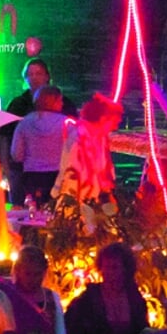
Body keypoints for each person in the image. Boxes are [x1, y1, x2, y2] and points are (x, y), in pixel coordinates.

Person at [53, 93, 123, 237]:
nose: (116, 126)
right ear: (103, 119)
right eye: (114, 121)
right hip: (76, 199)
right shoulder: (78, 139)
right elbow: (71, 174)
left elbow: (103, 173)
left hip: (94, 199)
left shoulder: (101, 139)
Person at [64, 242, 150, 334]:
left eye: (114, 267)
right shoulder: (87, 299)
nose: (109, 272)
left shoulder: (135, 299)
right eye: (106, 267)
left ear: (125, 269)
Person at [8, 86, 69, 205]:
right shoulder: (66, 123)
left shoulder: (24, 123)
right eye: (60, 100)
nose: (62, 104)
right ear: (54, 101)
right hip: (59, 176)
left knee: (35, 210)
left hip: (32, 176)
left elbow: (16, 154)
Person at [12, 245, 68, 334]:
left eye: (37, 274)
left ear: (44, 272)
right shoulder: (10, 296)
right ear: (18, 271)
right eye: (28, 274)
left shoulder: (52, 298)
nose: (32, 279)